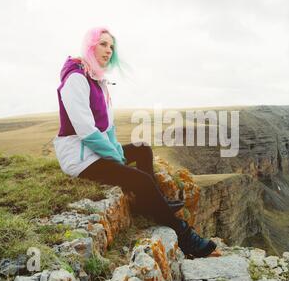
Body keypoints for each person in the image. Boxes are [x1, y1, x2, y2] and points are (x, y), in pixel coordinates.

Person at [53, 27, 216, 258]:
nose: (108, 50)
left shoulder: (97, 79)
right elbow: (86, 130)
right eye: (103, 44)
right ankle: (184, 235)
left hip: (95, 151)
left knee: (142, 149)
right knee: (139, 179)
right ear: (90, 45)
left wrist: (115, 148)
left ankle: (149, 203)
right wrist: (113, 155)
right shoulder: (76, 79)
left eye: (111, 46)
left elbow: (107, 125)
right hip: (79, 157)